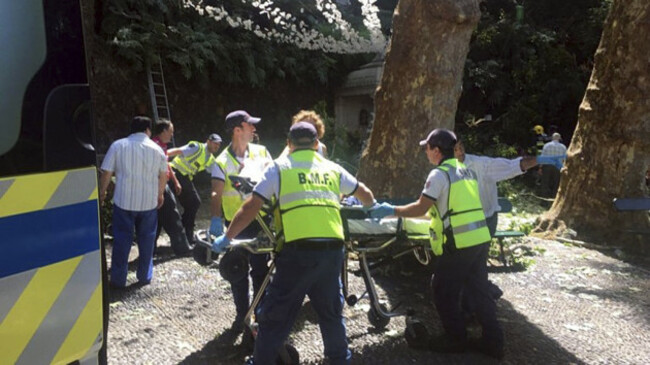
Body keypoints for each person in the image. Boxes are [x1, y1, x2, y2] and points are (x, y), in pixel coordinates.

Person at [211, 122, 376, 364]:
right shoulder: (332, 168)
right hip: (332, 252)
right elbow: (367, 196)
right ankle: (340, 360)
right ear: (317, 144)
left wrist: (227, 237)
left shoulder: (279, 168)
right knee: (331, 314)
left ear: (289, 144)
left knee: (275, 317)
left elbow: (251, 207)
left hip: (297, 253)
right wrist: (374, 209)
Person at [370, 129, 504, 359]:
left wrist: (390, 211)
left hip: (459, 242)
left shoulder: (439, 174)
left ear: (437, 150)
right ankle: (494, 342)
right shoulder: (466, 170)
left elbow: (421, 207)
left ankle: (455, 338)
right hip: (480, 237)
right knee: (479, 290)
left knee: (442, 289)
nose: (426, 152)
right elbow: (448, 207)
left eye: (427, 148)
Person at [209, 110, 273, 331]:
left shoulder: (262, 152)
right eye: (250, 126)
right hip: (235, 225)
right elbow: (216, 193)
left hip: (261, 222)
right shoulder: (221, 161)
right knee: (237, 270)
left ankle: (261, 315)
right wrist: (216, 220)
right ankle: (241, 316)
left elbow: (275, 179)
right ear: (238, 130)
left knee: (261, 271)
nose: (254, 129)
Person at [99, 116, 168, 288]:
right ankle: (144, 276)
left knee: (122, 241)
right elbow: (163, 175)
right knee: (147, 240)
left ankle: (118, 279)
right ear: (148, 130)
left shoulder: (118, 145)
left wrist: (102, 193)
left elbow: (106, 172)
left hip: (124, 201)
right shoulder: (157, 149)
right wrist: (160, 195)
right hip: (148, 203)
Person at [454, 140, 538, 236]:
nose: (460, 152)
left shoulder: (481, 165)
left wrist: (540, 160)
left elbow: (511, 166)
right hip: (458, 222)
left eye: (461, 147)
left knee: (477, 249)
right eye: (455, 149)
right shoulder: (443, 169)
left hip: (484, 220)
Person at [168, 133, 222, 244]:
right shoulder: (197, 147)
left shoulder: (211, 159)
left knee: (193, 203)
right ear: (208, 141)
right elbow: (178, 151)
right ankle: (185, 233)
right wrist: (162, 155)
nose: (217, 146)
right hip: (175, 172)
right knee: (192, 203)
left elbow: (217, 172)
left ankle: (184, 233)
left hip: (185, 177)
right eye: (215, 143)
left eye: (219, 144)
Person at [151, 119, 192, 256]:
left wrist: (175, 181)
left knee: (157, 218)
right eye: (170, 131)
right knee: (173, 217)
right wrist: (162, 190)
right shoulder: (155, 146)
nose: (172, 135)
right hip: (159, 185)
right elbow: (159, 170)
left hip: (161, 184)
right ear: (163, 131)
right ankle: (182, 249)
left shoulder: (161, 145)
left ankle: (150, 250)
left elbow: (166, 164)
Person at [540, 132, 567, 198]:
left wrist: (540, 167)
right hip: (558, 166)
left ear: (552, 138)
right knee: (556, 183)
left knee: (545, 182)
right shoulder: (563, 147)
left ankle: (544, 198)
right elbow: (564, 159)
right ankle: (554, 198)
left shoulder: (547, 145)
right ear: (559, 138)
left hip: (547, 166)